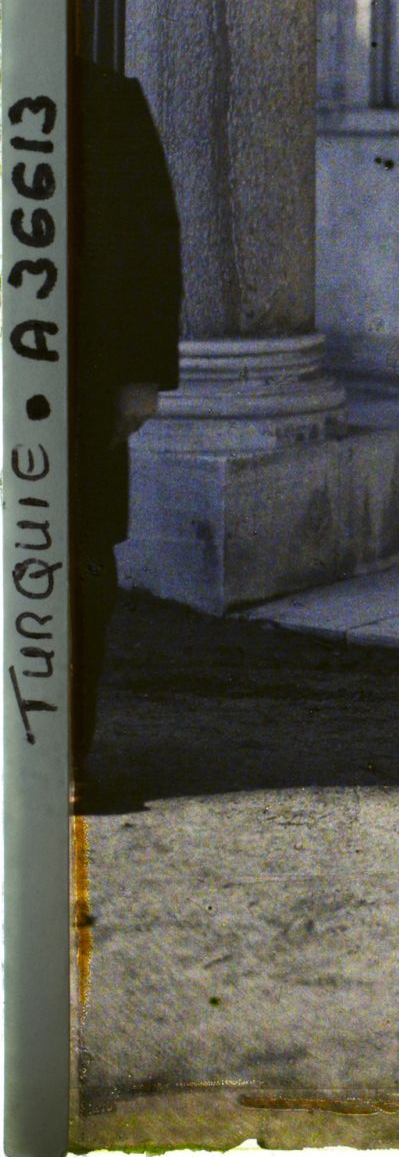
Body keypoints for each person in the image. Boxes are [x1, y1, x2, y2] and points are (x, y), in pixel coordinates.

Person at [71, 56, 184, 778]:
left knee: (77, 566)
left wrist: (142, 377)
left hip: (80, 377)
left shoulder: (104, 99)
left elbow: (151, 242)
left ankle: (60, 753)